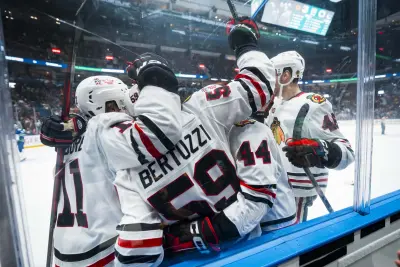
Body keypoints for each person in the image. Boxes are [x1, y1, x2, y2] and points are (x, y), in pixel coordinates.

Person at [85, 17, 276, 266]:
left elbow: (140, 250)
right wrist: (245, 46)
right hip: (249, 249)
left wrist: (181, 238)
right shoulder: (204, 106)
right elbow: (258, 86)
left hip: (190, 260)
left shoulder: (126, 171)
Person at [40, 76, 165, 266]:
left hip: (63, 254)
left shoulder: (65, 145)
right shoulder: (106, 126)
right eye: (121, 101)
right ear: (110, 104)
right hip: (103, 249)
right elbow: (158, 140)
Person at [265, 51, 355, 223]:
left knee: (289, 244)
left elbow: (347, 151)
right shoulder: (274, 103)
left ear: (286, 75)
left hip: (295, 193)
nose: (268, 80)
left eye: (272, 74)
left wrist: (321, 150)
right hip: (272, 189)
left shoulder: (313, 104)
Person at [229, 112, 296, 233]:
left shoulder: (250, 129)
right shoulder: (250, 127)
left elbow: (260, 192)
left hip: (270, 218)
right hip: (276, 212)